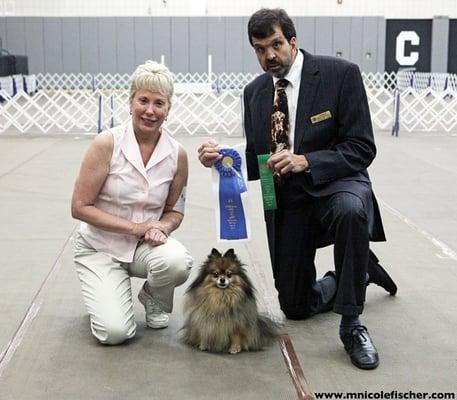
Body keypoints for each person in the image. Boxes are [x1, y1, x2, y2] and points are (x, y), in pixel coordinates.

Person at [198, 8, 397, 369]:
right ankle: (357, 271)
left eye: (275, 45)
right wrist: (219, 157)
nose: (269, 56)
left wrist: (307, 160)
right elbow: (257, 157)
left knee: (352, 211)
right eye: (259, 49)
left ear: (293, 41)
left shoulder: (341, 75)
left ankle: (352, 324)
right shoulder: (254, 93)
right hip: (287, 199)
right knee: (295, 307)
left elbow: (362, 147)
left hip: (337, 183)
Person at [71, 61, 193, 345]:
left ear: (168, 109)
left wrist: (162, 226)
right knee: (115, 334)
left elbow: (176, 210)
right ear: (130, 103)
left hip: (142, 250)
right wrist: (137, 228)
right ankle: (104, 293)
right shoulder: (106, 143)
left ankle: (154, 297)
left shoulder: (178, 154)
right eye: (143, 101)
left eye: (159, 103)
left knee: (177, 262)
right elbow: (79, 207)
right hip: (99, 249)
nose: (150, 110)